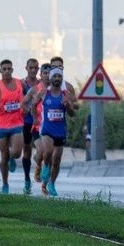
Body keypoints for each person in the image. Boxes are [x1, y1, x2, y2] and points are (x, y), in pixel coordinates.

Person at [23, 66, 78, 196]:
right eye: (55, 76)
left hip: (60, 130)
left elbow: (71, 113)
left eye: (59, 76)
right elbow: (33, 105)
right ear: (50, 78)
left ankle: (52, 184)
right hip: (46, 128)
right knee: (47, 151)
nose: (57, 78)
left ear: (62, 78)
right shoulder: (43, 93)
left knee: (57, 159)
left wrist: (68, 105)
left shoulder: (66, 94)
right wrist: (35, 118)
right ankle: (45, 166)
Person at [0, 59, 26, 194]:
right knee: (4, 156)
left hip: (17, 123)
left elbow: (30, 95)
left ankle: (13, 159)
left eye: (9, 68)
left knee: (17, 153)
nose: (7, 71)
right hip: (1, 125)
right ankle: (5, 184)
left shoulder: (20, 83)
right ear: (0, 71)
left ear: (12, 70)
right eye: (4, 69)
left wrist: (27, 106)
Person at [19, 58, 42, 193]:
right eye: (31, 67)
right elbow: (19, 100)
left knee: (42, 150)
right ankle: (27, 179)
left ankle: (38, 167)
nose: (33, 70)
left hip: (39, 122)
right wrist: (25, 108)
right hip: (26, 121)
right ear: (26, 68)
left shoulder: (41, 84)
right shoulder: (22, 84)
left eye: (35, 68)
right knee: (27, 150)